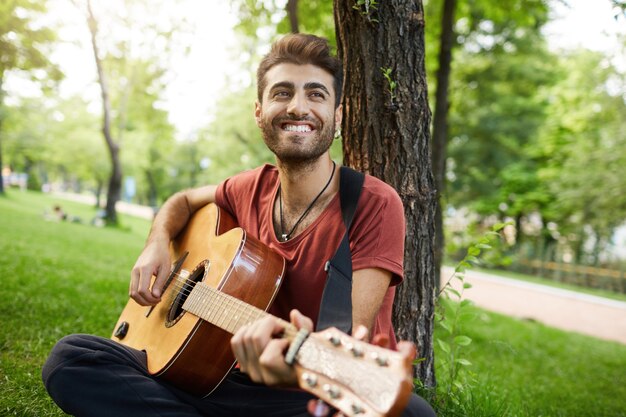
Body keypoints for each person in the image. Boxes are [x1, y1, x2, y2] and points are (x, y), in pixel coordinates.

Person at [42, 33, 436, 417]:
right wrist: (157, 241)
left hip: (304, 393)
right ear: (259, 111)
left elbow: (351, 345)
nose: (299, 107)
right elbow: (181, 201)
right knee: (72, 359)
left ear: (337, 115)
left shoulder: (373, 203)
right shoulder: (249, 187)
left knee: (408, 412)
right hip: (212, 375)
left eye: (316, 94)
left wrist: (293, 367)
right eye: (282, 93)